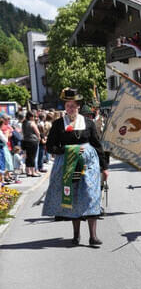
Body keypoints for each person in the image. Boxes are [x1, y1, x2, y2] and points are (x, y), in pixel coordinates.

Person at [42, 88, 109, 246]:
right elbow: (50, 147)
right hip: (69, 163)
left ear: (78, 106)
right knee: (74, 197)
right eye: (67, 105)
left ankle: (93, 236)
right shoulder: (59, 124)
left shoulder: (88, 123)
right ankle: (76, 235)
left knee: (91, 195)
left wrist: (104, 167)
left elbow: (97, 145)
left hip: (89, 164)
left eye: (73, 105)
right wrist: (66, 150)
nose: (70, 108)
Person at [21, 111, 41, 177]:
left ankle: (28, 171)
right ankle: (33, 172)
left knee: (27, 156)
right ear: (30, 116)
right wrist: (39, 138)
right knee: (33, 156)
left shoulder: (23, 123)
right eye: (33, 116)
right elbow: (37, 132)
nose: (34, 118)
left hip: (25, 141)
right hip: (32, 141)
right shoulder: (32, 123)